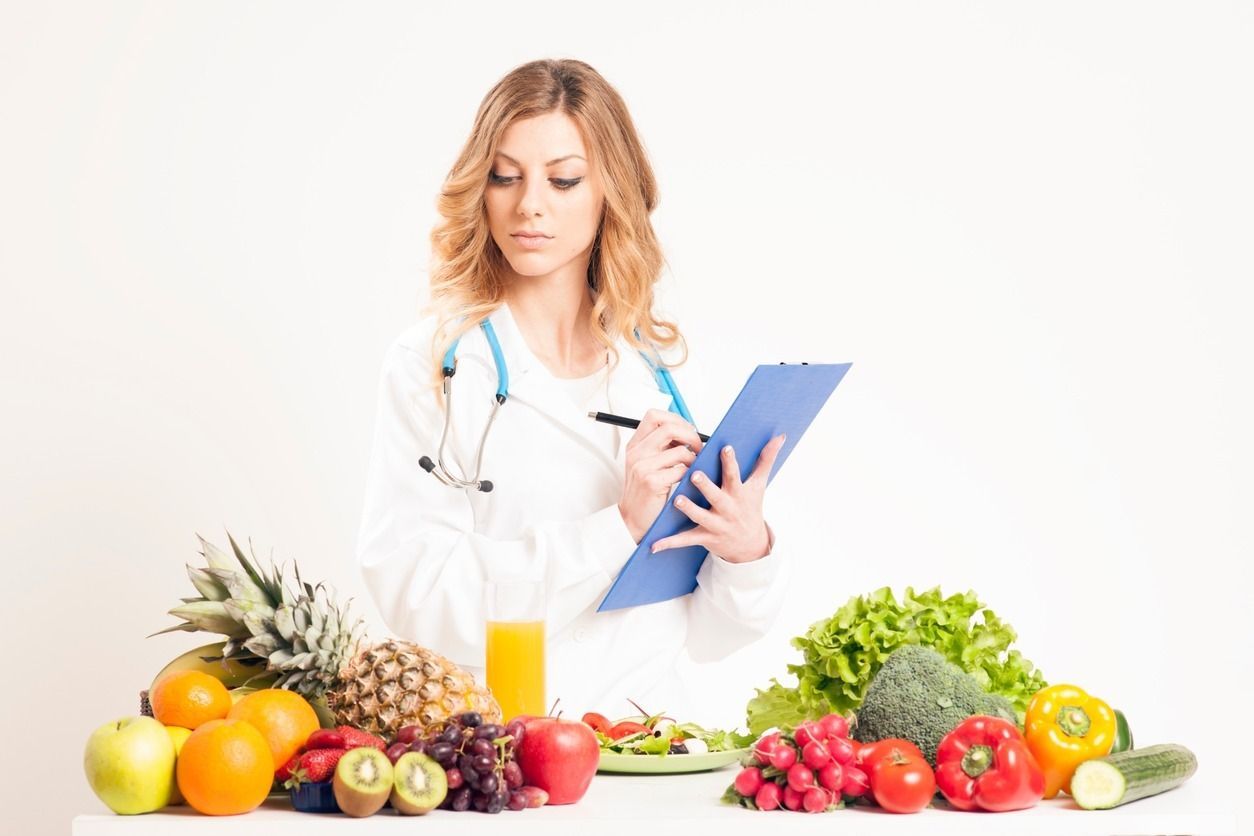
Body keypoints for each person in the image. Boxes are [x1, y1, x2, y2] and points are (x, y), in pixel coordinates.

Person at [355, 58, 789, 719]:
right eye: (505, 176)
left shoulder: (661, 371)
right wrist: (617, 528)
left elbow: (708, 636)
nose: (530, 204)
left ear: (609, 190)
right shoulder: (435, 367)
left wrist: (745, 550)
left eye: (562, 180)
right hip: (499, 758)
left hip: (649, 748)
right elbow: (422, 600)